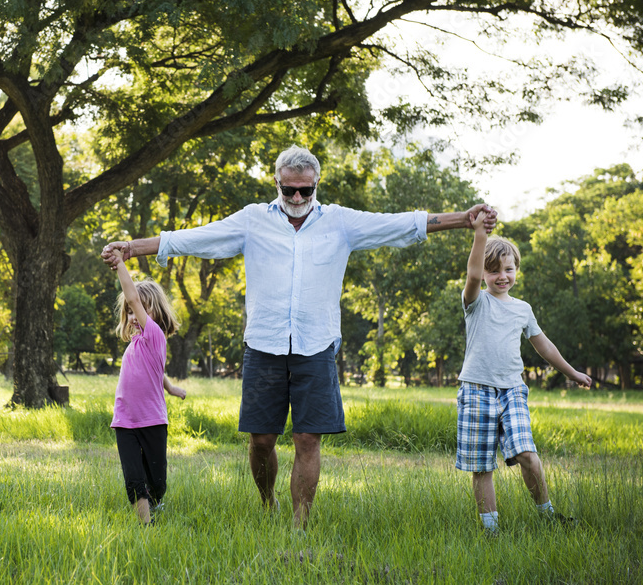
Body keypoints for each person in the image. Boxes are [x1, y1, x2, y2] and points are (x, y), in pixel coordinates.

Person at [102, 144, 497, 528]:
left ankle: (299, 524)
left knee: (308, 440)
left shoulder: (339, 221)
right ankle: (267, 500)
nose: (296, 196)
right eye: (288, 188)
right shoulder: (253, 219)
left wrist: (464, 219)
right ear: (276, 182)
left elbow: (399, 224)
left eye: (305, 189)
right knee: (261, 441)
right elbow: (198, 238)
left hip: (316, 344)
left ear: (316, 184)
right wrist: (135, 248)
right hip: (263, 343)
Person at [457, 210, 592, 536]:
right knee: (482, 466)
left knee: (527, 455)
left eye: (508, 269)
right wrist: (480, 234)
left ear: (517, 270)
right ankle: (491, 531)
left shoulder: (523, 309)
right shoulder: (475, 302)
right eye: (494, 271)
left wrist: (572, 373)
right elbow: (472, 275)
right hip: (476, 389)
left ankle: (547, 514)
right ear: (486, 275)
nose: (501, 276)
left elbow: (543, 346)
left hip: (512, 390)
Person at [110, 245, 187, 525]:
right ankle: (145, 526)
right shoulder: (134, 345)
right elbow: (154, 372)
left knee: (157, 480)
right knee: (134, 477)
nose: (134, 314)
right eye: (129, 312)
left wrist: (120, 263)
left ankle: (156, 503)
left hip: (152, 420)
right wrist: (171, 387)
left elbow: (132, 296)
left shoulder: (155, 336)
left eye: (140, 309)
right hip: (124, 420)